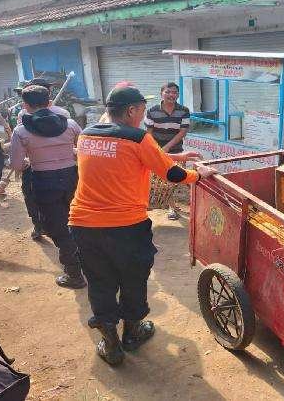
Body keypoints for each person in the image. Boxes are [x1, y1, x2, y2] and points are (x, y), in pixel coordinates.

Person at [68, 84, 216, 366]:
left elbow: (124, 157)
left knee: (99, 281)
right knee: (133, 278)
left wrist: (176, 157)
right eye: (142, 110)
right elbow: (172, 175)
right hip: (126, 226)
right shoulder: (138, 138)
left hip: (84, 224)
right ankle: (132, 333)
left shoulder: (86, 135)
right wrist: (199, 175)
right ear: (131, 111)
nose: (143, 115)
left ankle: (111, 344)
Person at [9, 85, 86, 289]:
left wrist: (28, 161)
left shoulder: (21, 131)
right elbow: (85, 149)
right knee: (78, 220)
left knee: (58, 227)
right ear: (49, 102)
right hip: (73, 178)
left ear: (25, 105)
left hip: (44, 181)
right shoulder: (70, 124)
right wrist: (69, 153)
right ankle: (88, 263)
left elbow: (16, 165)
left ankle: (74, 274)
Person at [15, 78, 70, 241]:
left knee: (32, 196)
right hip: (66, 167)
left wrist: (23, 161)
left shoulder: (23, 116)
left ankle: (40, 226)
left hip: (36, 167)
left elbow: (20, 150)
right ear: (48, 96)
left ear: (27, 102)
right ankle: (67, 231)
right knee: (67, 199)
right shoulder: (64, 115)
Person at [144, 82, 191, 220]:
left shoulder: (184, 111)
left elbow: (182, 132)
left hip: (176, 151)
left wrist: (167, 147)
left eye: (174, 92)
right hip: (156, 151)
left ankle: (174, 206)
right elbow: (149, 133)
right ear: (161, 94)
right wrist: (155, 149)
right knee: (160, 181)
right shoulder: (152, 111)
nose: (171, 95)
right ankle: (167, 206)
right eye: (168, 92)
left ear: (178, 95)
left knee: (174, 179)